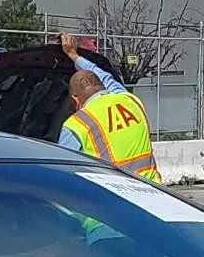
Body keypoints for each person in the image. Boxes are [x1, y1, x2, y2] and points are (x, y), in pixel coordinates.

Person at [55, 33, 161, 182]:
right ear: (101, 85)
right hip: (154, 192)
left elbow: (63, 175)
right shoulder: (129, 100)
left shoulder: (76, 125)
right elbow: (104, 76)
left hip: (112, 198)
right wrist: (73, 55)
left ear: (75, 98)